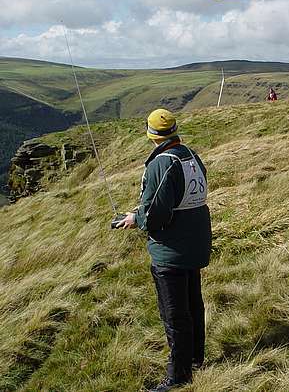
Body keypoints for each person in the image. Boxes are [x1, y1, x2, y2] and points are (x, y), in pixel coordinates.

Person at [116, 108, 212, 392]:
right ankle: (195, 360)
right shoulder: (191, 155)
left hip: (171, 249)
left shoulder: (162, 163)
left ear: (151, 133)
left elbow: (157, 213)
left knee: (174, 313)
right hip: (195, 243)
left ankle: (178, 376)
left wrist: (137, 218)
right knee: (194, 304)